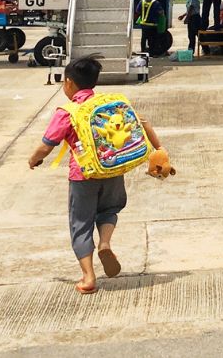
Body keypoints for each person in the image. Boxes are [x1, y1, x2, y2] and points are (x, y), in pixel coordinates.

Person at [27, 56, 164, 294]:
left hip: (83, 176)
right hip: (112, 169)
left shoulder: (68, 111)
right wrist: (160, 148)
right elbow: (143, 123)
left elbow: (47, 145)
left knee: (80, 224)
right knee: (108, 210)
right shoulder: (109, 103)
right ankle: (105, 243)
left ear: (69, 83)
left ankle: (88, 277)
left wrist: (33, 160)